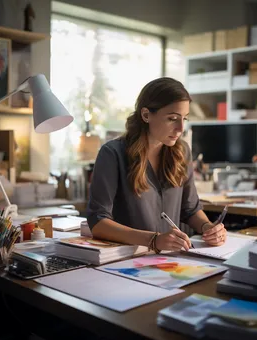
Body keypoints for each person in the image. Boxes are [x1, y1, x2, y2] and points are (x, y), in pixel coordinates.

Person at [87, 77, 226, 253]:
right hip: (127, 260)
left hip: (172, 262)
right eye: (172, 118)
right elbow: (98, 222)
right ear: (146, 115)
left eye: (185, 118)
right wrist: (153, 240)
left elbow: (190, 210)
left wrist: (208, 228)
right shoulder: (112, 154)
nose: (180, 128)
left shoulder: (182, 151)